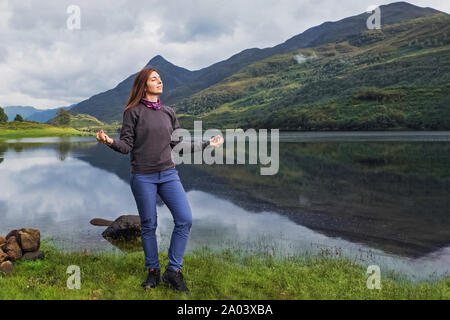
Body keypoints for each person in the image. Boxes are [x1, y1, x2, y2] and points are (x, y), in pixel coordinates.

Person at [96, 66, 224, 293]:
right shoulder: (132, 112)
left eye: (160, 78)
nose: (159, 81)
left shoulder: (169, 112)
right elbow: (126, 147)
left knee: (184, 219)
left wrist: (207, 144)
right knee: (149, 226)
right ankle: (153, 272)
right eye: (154, 79)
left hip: (168, 175)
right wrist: (109, 141)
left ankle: (173, 271)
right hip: (143, 176)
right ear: (144, 86)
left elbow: (179, 145)